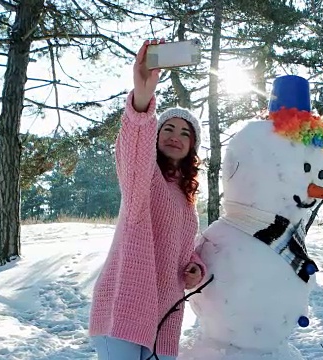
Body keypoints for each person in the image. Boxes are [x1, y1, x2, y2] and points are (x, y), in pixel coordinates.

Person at [88, 39, 206, 360]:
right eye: (168, 127)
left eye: (186, 133)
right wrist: (142, 97)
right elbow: (134, 144)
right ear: (155, 135)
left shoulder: (186, 198)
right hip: (124, 304)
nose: (176, 136)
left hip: (164, 314)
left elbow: (182, 251)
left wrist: (194, 267)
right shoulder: (145, 174)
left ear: (193, 147)